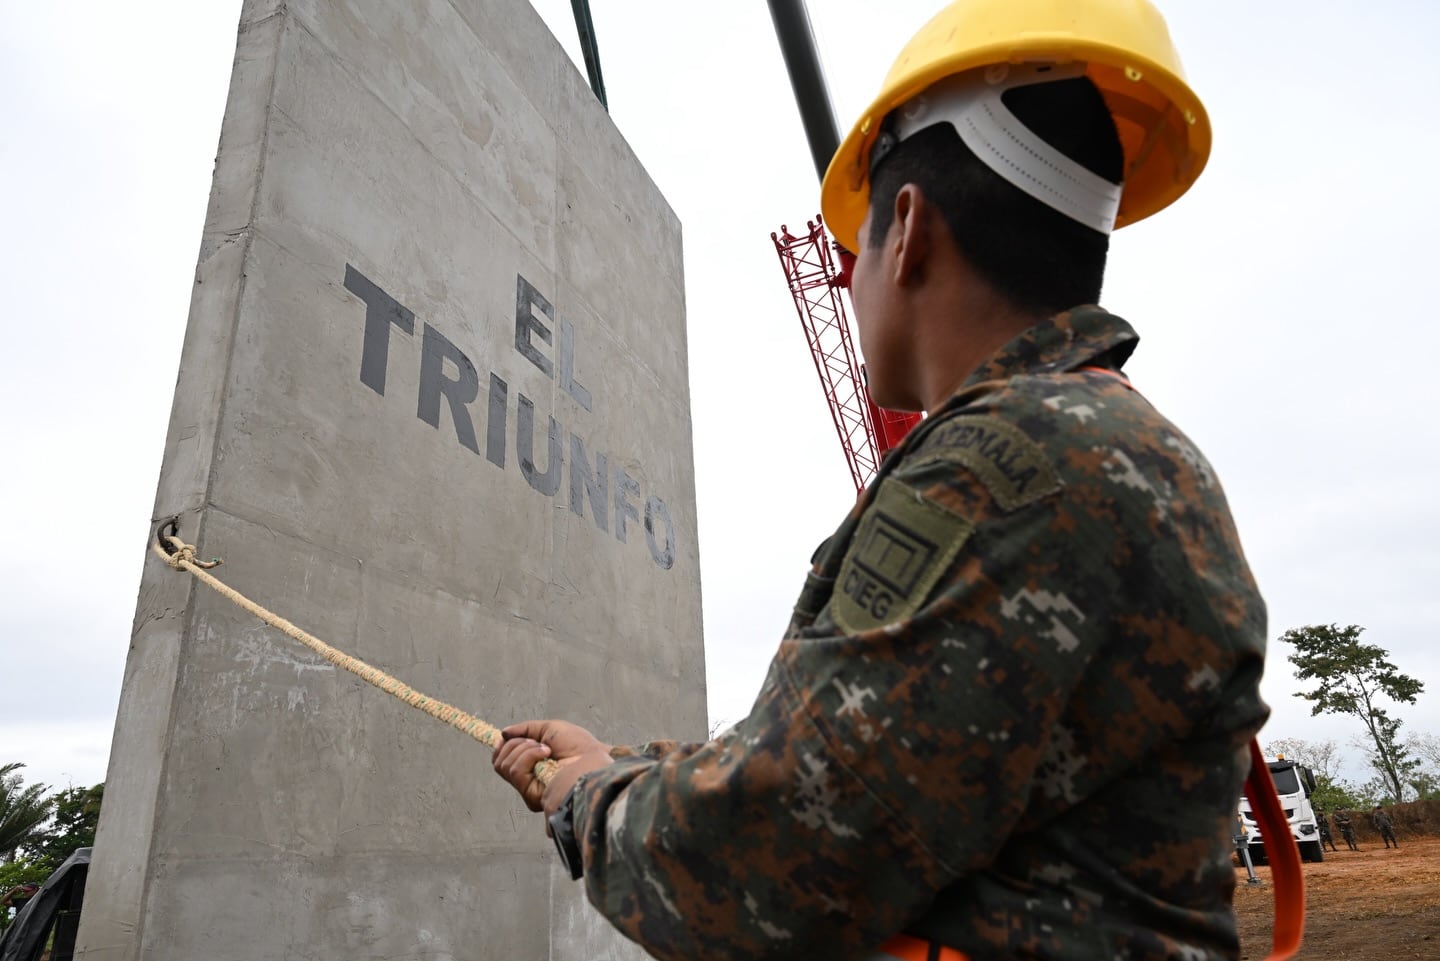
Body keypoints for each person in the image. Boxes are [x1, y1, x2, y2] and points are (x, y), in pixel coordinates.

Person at [493, 1, 1269, 958]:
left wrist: (585, 799)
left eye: (853, 244)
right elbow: (877, 751)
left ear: (906, 229)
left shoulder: (1001, 468)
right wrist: (622, 761)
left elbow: (773, 861)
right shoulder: (1112, 444)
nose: (850, 282)